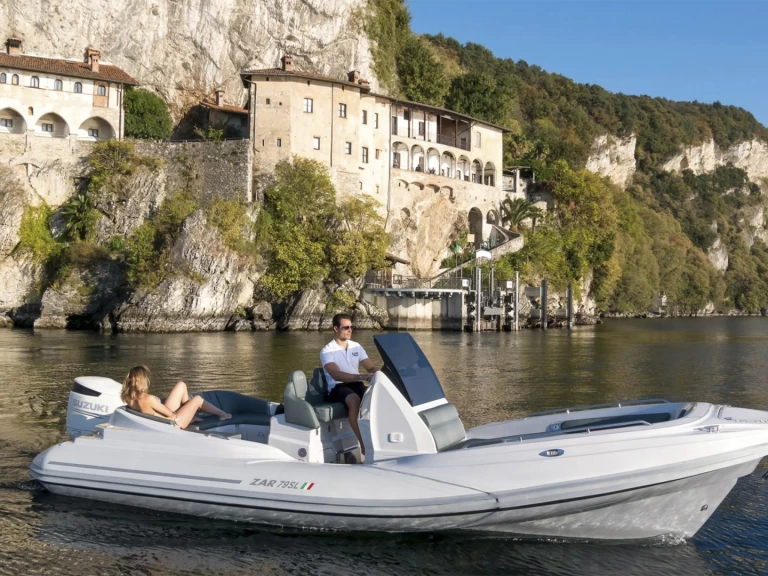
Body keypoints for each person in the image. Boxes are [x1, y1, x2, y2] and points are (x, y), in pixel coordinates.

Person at [321, 314, 377, 455]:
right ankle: (363, 444)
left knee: (375, 398)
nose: (350, 330)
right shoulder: (327, 350)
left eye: (351, 327)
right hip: (337, 386)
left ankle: (380, 440)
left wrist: (376, 374)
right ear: (335, 328)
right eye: (346, 327)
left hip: (355, 383)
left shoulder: (356, 346)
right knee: (355, 400)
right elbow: (335, 374)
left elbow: (370, 367)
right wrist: (362, 376)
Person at [120, 365, 232, 430]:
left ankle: (191, 414)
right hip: (173, 423)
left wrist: (156, 402)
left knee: (181, 385)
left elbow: (149, 408)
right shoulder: (148, 399)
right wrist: (156, 401)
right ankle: (223, 415)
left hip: (161, 419)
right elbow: (171, 414)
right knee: (197, 399)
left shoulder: (127, 397)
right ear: (143, 381)